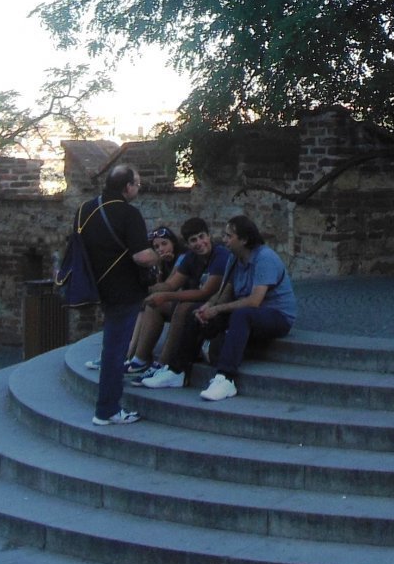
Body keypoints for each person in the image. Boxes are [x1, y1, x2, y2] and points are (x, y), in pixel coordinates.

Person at [145, 214, 296, 401]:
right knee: (196, 312)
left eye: (229, 236)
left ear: (244, 239)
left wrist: (218, 309)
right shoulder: (234, 258)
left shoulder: (264, 258)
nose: (224, 239)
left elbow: (254, 301)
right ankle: (177, 371)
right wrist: (208, 307)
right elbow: (226, 291)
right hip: (247, 312)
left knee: (241, 315)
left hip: (276, 315)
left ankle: (226, 377)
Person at [71, 163, 160, 426]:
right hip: (124, 288)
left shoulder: (84, 210)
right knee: (115, 349)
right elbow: (141, 256)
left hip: (97, 285)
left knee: (112, 345)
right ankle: (107, 409)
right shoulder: (128, 214)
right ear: (127, 187)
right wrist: (161, 256)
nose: (138, 189)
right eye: (138, 184)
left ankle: (107, 406)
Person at [127, 217, 232, 379]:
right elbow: (171, 285)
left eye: (202, 237)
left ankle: (164, 364)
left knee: (182, 306)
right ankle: (139, 360)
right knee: (155, 305)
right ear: (188, 244)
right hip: (197, 303)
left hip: (215, 306)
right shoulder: (191, 257)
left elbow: (205, 292)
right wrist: (145, 291)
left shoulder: (221, 255)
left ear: (209, 236)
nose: (199, 243)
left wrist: (165, 296)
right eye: (193, 240)